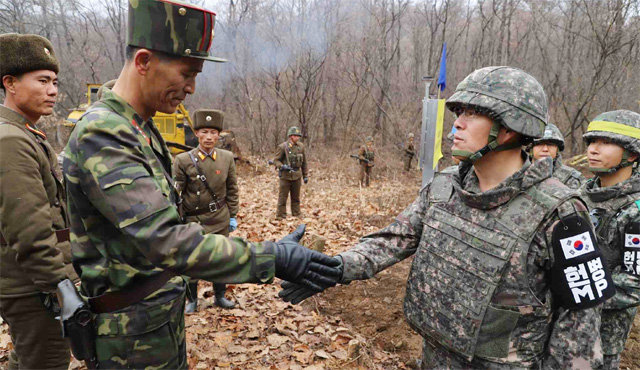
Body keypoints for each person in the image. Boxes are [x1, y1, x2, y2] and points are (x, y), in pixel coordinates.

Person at [62, 0, 340, 368]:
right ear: (144, 62)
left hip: (156, 318)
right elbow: (168, 241)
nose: (192, 88)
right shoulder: (104, 134)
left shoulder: (137, 126)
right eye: (187, 73)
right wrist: (272, 257)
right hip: (129, 336)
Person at [281, 66, 614, 368]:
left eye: (473, 114)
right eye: (459, 112)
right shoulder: (445, 186)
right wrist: (335, 267)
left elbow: (580, 327)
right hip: (435, 356)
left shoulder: (561, 213)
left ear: (511, 128)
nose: (457, 123)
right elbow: (393, 240)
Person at [0, 33, 77, 370]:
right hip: (32, 287)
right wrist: (60, 287)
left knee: (27, 359)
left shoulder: (26, 134)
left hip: (33, 281)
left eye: (55, 82)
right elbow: (30, 231)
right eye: (42, 81)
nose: (53, 90)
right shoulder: (11, 141)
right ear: (10, 84)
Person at [581, 110, 640, 369]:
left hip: (602, 339)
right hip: (559, 332)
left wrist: (578, 294)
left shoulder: (635, 209)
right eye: (592, 142)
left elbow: (634, 283)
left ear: (632, 154)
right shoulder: (577, 197)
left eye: (605, 143)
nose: (593, 149)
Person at [173, 109, 238, 311]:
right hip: (194, 220)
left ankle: (220, 297)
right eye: (204, 132)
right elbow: (176, 193)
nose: (209, 137)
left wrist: (233, 215)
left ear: (219, 135)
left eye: (213, 132)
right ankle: (191, 300)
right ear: (197, 133)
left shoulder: (227, 158)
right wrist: (177, 219)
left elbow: (232, 189)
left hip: (219, 218)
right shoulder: (183, 160)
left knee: (221, 259)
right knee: (193, 262)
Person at [531, 122, 584, 189]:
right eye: (539, 144)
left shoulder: (572, 179)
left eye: (550, 145)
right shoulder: (518, 175)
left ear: (557, 149)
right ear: (531, 147)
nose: (545, 149)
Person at [273, 126, 308, 219]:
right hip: (286, 176)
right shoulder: (283, 147)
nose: (298, 138)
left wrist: (305, 175)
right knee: (283, 197)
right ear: (291, 136)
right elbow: (276, 160)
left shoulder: (301, 147)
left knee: (296, 197)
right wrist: (282, 166)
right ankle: (280, 215)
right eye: (296, 136)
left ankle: (296, 213)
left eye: (298, 136)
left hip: (297, 175)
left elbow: (304, 162)